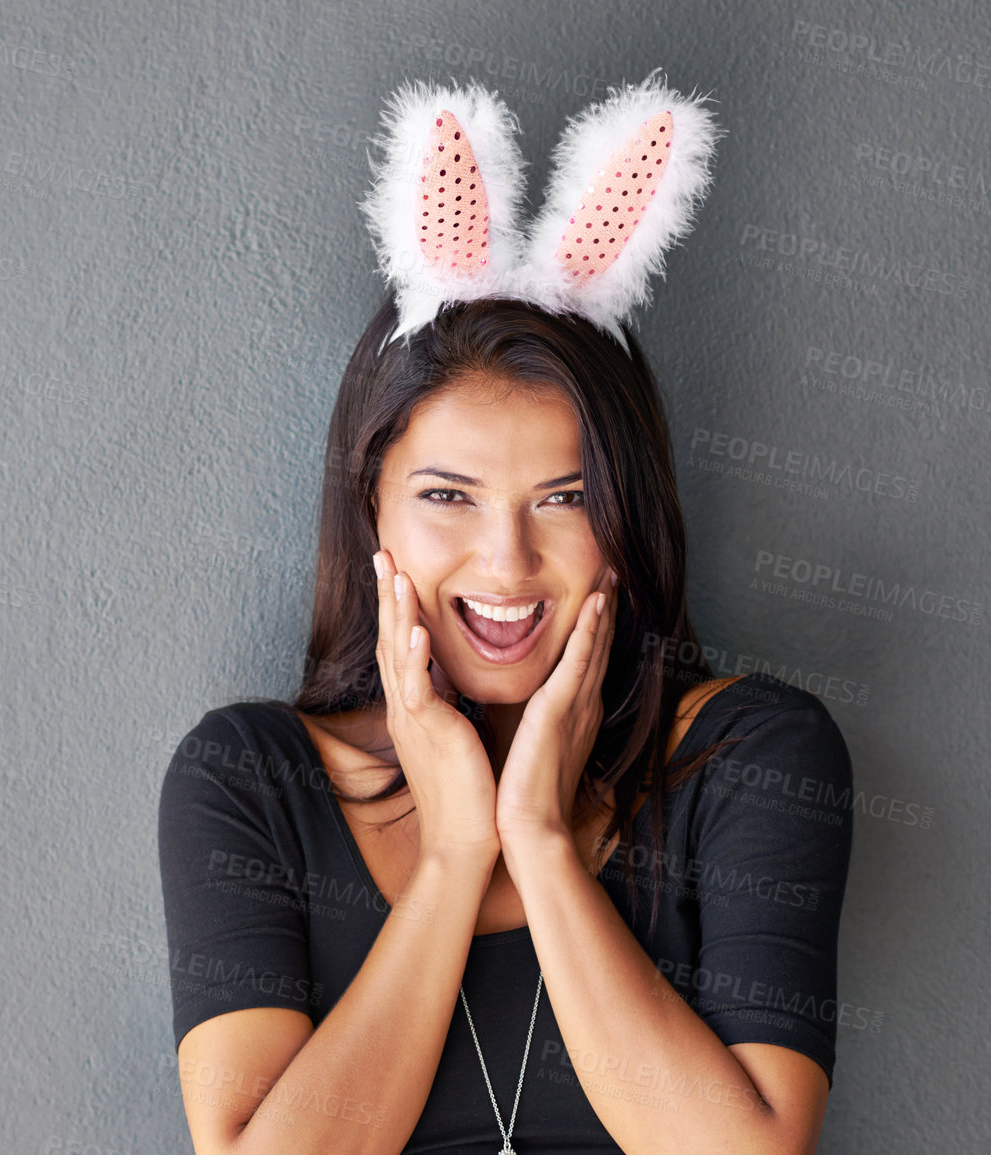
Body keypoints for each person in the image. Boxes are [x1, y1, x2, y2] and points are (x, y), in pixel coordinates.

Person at [157, 76, 854, 1155]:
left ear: (630, 513)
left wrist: (538, 842)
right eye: (447, 497)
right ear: (370, 506)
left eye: (566, 500)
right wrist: (450, 863)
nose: (508, 562)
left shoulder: (751, 754)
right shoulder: (248, 780)